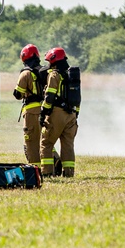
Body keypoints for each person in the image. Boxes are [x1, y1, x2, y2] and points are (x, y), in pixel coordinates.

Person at [39, 47, 79, 178]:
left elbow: (49, 96)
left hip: (57, 113)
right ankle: (68, 173)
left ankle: (47, 172)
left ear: (53, 60)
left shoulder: (54, 75)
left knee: (46, 143)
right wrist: (75, 114)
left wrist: (44, 112)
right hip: (71, 114)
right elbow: (77, 98)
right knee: (68, 145)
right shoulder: (72, 76)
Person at [13, 43, 45, 165]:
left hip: (31, 112)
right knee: (44, 140)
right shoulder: (44, 71)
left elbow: (17, 94)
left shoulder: (25, 73)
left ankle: (35, 168)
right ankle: (53, 162)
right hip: (45, 110)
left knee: (31, 141)